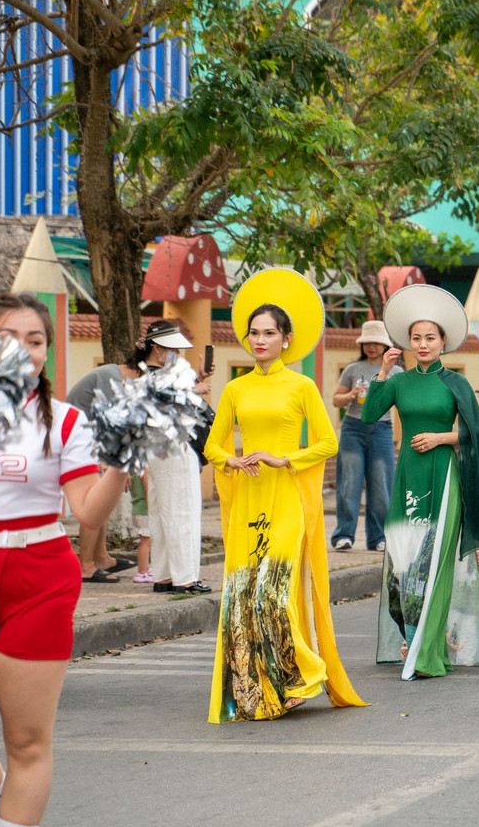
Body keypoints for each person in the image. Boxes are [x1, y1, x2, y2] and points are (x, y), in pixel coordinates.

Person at [0, 293, 130, 827]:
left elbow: (86, 512)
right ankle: (7, 804)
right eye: (7, 340)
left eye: (34, 341)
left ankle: (16, 816)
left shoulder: (65, 422)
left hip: (40, 575)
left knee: (26, 741)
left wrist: (122, 464)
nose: (23, 352)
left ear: (46, 352)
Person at [203, 270, 366, 721]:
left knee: (272, 595)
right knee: (242, 595)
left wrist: (285, 459)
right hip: (249, 499)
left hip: (288, 497)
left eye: (269, 333)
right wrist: (230, 461)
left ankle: (302, 676)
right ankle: (257, 689)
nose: (259, 340)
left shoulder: (302, 386)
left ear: (286, 339)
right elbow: (213, 444)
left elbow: (329, 443)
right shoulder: (235, 388)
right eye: (253, 333)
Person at [362, 285, 479, 680]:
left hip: (444, 477)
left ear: (443, 343)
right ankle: (420, 638)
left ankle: (426, 654)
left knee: (436, 560)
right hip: (408, 474)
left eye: (430, 338)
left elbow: (478, 432)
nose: (423, 344)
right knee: (405, 560)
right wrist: (385, 371)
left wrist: (442, 438)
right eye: (416, 338)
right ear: (408, 342)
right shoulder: (400, 382)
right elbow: (370, 414)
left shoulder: (454, 384)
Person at [133, 321, 212, 595]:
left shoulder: (148, 375)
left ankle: (164, 576)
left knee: (161, 512)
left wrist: (196, 383)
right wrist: (194, 392)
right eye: (173, 349)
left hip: (158, 451)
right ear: (158, 349)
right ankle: (186, 579)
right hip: (176, 449)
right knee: (183, 512)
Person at [66, 349, 140, 583]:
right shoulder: (112, 378)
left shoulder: (121, 381)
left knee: (103, 502)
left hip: (90, 440)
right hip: (76, 440)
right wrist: (113, 466)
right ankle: (85, 565)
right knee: (93, 501)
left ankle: (101, 557)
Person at [330, 320, 401, 552]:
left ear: (385, 345)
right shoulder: (352, 369)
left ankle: (378, 537)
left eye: (377, 343)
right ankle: (344, 535)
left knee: (381, 486)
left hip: (382, 429)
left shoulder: (396, 372)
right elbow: (335, 400)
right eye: (367, 342)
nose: (371, 347)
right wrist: (351, 394)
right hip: (353, 428)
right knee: (349, 483)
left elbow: (403, 403)